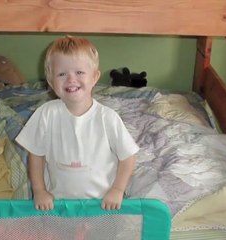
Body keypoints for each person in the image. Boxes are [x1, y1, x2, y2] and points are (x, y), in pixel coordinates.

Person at [15, 35, 139, 211]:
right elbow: (36, 154)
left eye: (79, 72)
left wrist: (118, 189)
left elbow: (128, 157)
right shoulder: (45, 114)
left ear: (95, 77)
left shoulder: (107, 118)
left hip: (102, 205)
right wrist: (39, 190)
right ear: (51, 82)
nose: (71, 79)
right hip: (57, 206)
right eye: (62, 74)